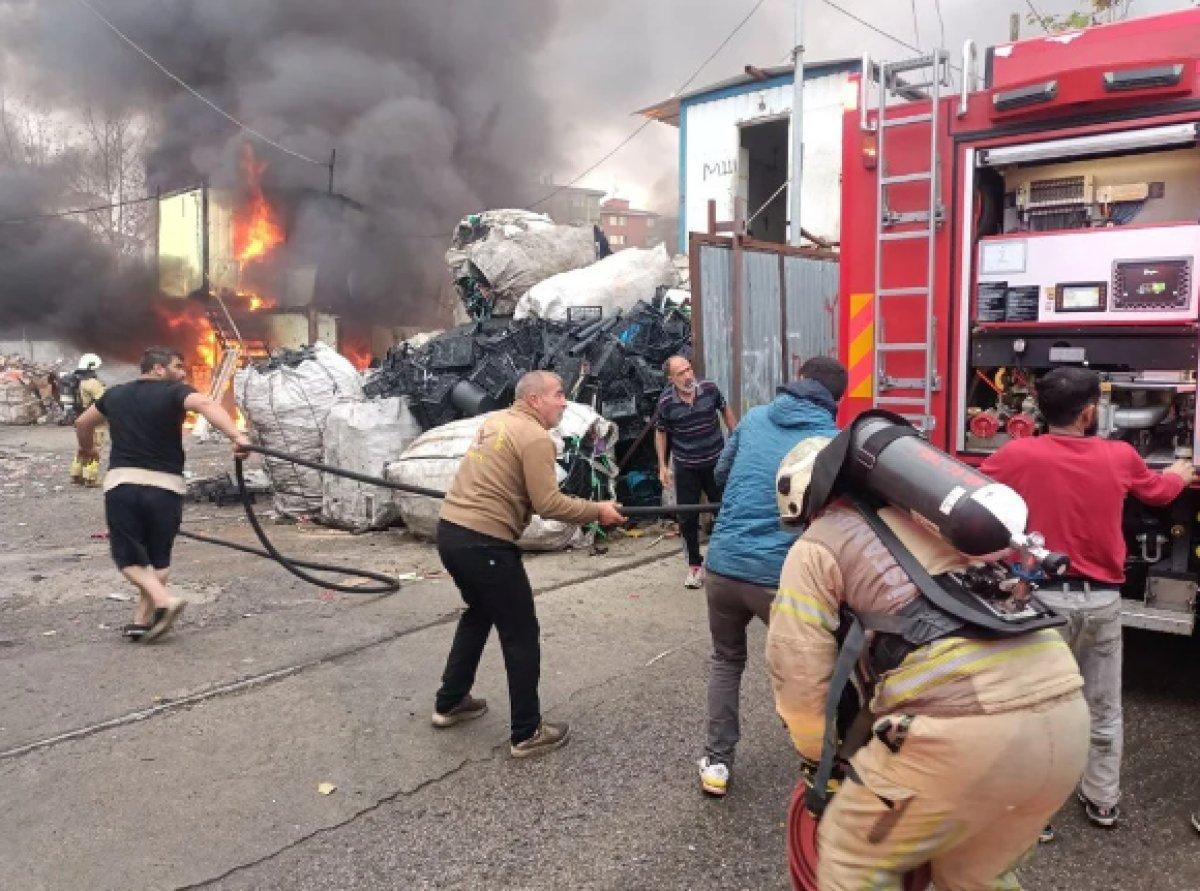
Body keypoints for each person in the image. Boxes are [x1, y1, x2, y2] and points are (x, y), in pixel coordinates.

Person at [767, 431, 1089, 890]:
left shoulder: (819, 543)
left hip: (963, 731)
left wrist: (821, 761)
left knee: (852, 859)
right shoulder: (940, 525)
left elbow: (797, 674)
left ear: (805, 503)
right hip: (1065, 715)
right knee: (976, 875)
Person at [981, 367, 1194, 831]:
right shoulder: (1119, 456)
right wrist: (1179, 474)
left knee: (1035, 709)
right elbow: (1159, 494)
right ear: (1089, 413)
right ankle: (1102, 800)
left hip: (1040, 605)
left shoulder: (1017, 454)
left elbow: (974, 491)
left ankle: (1034, 816)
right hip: (1100, 603)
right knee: (1102, 707)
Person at [432, 371, 626, 758]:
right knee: (521, 633)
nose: (564, 402)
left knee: (478, 613)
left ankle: (450, 701)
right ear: (535, 399)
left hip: (451, 533)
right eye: (558, 394)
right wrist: (598, 510)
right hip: (485, 543)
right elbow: (548, 504)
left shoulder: (496, 422)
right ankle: (526, 732)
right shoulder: (536, 437)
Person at [696, 357, 845, 797]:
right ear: (835, 399)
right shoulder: (834, 442)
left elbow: (721, 474)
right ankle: (823, 762)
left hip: (723, 565)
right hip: (779, 577)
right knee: (807, 668)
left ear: (798, 381)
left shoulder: (755, 417)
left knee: (726, 660)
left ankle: (717, 764)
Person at [75, 346, 249, 643]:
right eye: (178, 366)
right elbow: (205, 404)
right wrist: (237, 436)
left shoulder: (115, 394)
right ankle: (143, 621)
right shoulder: (175, 392)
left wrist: (87, 449)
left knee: (128, 557)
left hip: (123, 485)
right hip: (166, 488)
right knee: (159, 560)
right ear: (158, 368)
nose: (182, 373)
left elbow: (83, 423)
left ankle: (163, 602)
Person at [654, 355, 736, 589]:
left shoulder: (709, 389)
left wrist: (737, 439)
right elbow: (661, 432)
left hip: (716, 463)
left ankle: (728, 562)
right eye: (681, 373)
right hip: (686, 466)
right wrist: (662, 465)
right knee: (687, 517)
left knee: (725, 510)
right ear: (671, 379)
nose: (688, 376)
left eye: (689, 369)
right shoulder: (666, 402)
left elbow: (725, 410)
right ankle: (695, 566)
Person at [69, 353, 107, 487]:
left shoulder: (79, 381)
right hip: (94, 421)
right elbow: (103, 401)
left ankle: (76, 475)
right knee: (94, 447)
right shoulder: (93, 383)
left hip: (81, 417)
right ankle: (91, 478)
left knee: (82, 447)